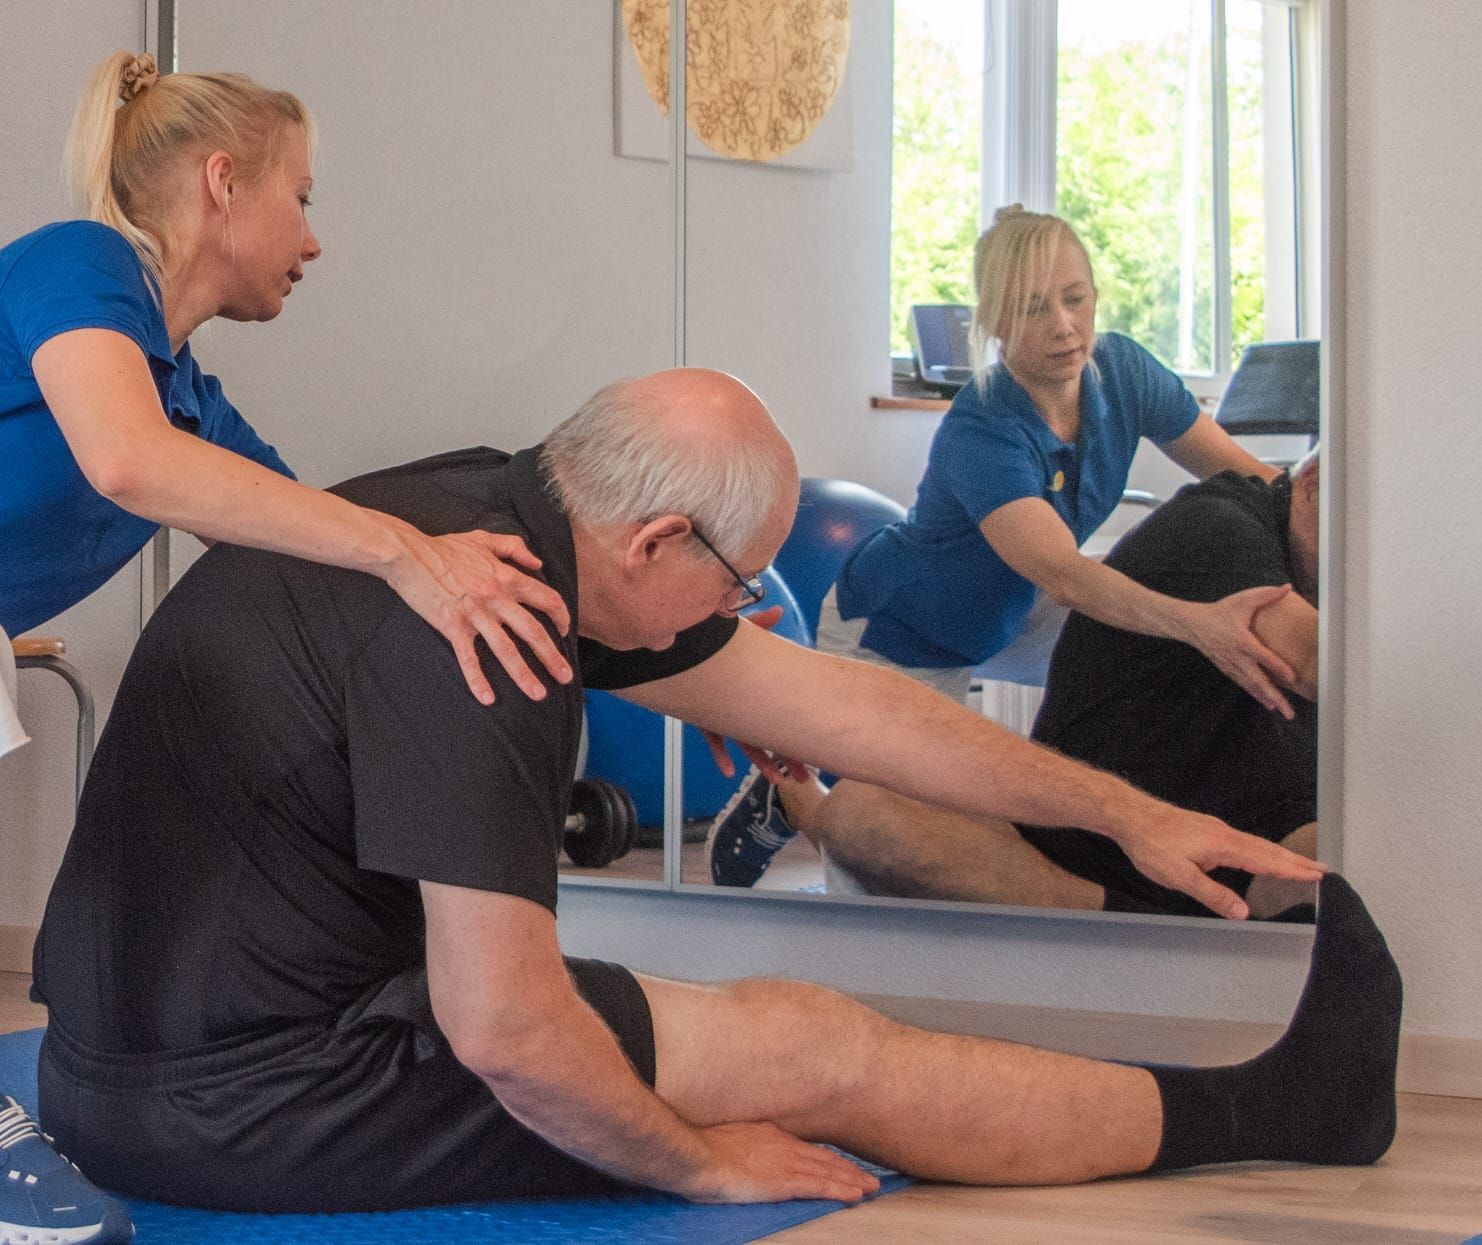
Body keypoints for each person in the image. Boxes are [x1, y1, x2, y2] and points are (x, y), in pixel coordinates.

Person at [31, 370, 1400, 1215]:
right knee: (815, 1049)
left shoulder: (482, 514)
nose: (743, 607)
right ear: (655, 538)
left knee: (739, 1026)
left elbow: (841, 704)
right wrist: (692, 1161)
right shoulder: (490, 635)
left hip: (125, 1065)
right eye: (738, 577)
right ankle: (1286, 1112)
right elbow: (503, 1025)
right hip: (250, 1097)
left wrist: (1127, 814)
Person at [0, 51, 570, 1243]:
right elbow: (124, 459)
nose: (313, 240)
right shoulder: (79, 263)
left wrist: (631, 620)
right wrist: (401, 554)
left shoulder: (190, 399)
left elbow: (313, 549)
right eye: (301, 197)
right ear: (222, 183)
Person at [709, 206, 1294, 886]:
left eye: (1075, 299)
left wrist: (1325, 513)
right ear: (992, 322)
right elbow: (1067, 574)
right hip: (904, 627)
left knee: (1155, 651)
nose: (1064, 326)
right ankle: (786, 800)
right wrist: (1200, 623)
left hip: (1016, 611)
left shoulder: (1124, 372)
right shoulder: (982, 427)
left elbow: (1246, 474)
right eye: (1033, 308)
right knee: (897, 850)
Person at [787, 450, 1322, 918]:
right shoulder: (1220, 524)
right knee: (861, 814)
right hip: (1091, 853)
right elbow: (1314, 660)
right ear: (1314, 486)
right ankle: (787, 787)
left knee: (1343, 866)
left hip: (1236, 845)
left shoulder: (1124, 389)